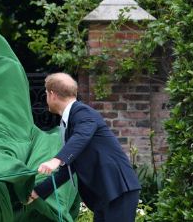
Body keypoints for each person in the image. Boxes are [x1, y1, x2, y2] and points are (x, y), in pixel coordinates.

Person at [28, 73, 141, 222]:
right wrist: (36, 193)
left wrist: (56, 159)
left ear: (52, 94)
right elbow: (67, 171)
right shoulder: (71, 120)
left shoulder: (82, 112)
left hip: (118, 190)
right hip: (105, 194)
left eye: (46, 93)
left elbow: (82, 135)